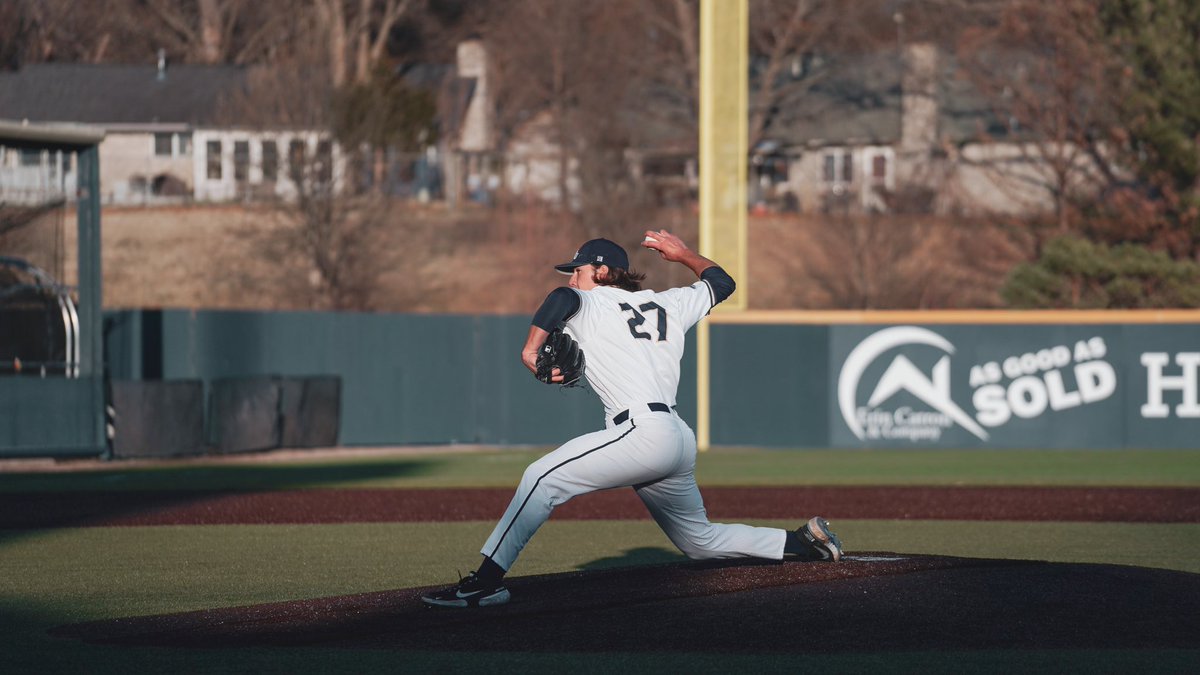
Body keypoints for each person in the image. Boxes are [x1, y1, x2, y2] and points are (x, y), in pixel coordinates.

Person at [422, 230, 843, 608]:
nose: (572, 277)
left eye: (579, 269)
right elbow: (722, 283)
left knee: (542, 476)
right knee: (699, 542)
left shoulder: (584, 301)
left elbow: (561, 298)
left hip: (641, 432)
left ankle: (485, 583)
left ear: (602, 271)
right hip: (676, 437)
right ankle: (802, 542)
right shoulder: (668, 302)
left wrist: (530, 352)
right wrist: (683, 254)